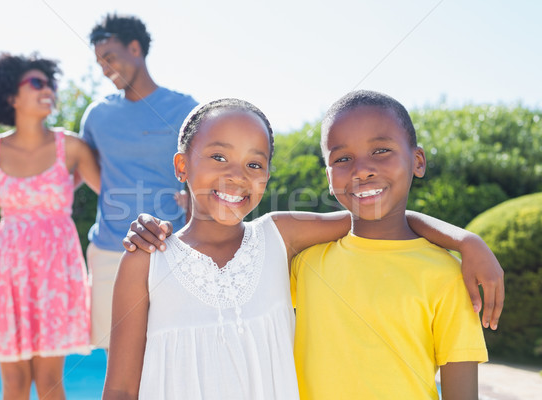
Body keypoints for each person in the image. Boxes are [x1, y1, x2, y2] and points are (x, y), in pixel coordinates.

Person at [103, 98, 502, 400]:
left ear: (267, 176)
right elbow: (120, 388)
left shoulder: (279, 237)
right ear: (181, 166)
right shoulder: (147, 259)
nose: (235, 175)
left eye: (254, 164)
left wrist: (466, 241)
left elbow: (373, 215)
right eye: (218, 156)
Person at [291, 90, 488, 399]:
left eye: (381, 150)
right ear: (329, 178)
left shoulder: (449, 276)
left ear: (418, 161)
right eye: (342, 159)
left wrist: (467, 242)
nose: (362, 170)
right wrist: (466, 239)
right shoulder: (303, 265)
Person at [0, 54, 101, 399]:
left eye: (50, 84)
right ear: (11, 97)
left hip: (56, 272)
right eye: (37, 83)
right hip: (7, 271)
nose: (49, 90)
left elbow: (113, 190)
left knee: (51, 379)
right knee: (13, 382)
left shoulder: (71, 147)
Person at [81, 14, 198, 349]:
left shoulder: (184, 109)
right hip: (109, 253)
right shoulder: (97, 115)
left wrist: (196, 198)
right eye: (99, 62)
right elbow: (72, 162)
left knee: (171, 350)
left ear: (135, 48)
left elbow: (205, 169)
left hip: (170, 249)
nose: (104, 68)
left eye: (110, 57)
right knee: (116, 356)